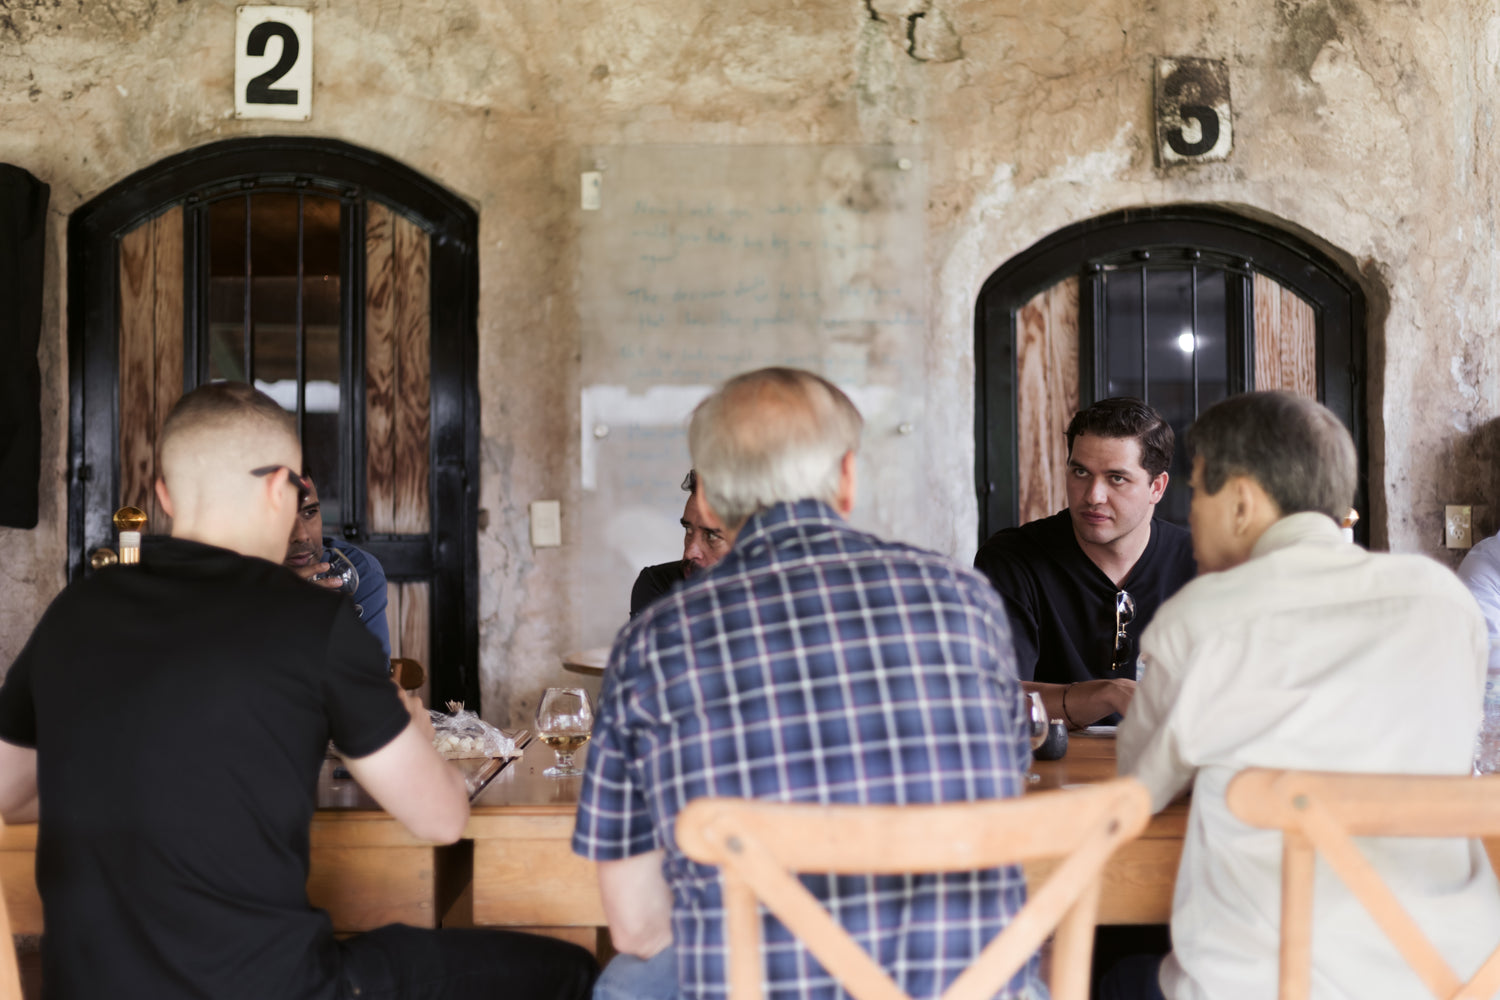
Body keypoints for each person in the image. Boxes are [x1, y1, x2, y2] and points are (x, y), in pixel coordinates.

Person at [0, 382, 596, 1000]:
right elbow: (442, 820)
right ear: (278, 486)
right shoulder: (313, 621)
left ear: (165, 497)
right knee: (567, 972)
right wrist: (416, 734)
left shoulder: (78, 610)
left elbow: (10, 793)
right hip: (275, 988)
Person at [574, 367, 1041, 1000]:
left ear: (715, 491)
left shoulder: (659, 639)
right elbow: (1002, 791)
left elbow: (636, 926)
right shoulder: (966, 601)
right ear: (847, 478)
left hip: (764, 985)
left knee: (627, 983)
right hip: (970, 988)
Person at [1113, 391, 1500, 1000]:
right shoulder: (1443, 598)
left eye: (1196, 488)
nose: (1190, 515)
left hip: (1263, 983)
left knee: (1115, 977)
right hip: (1449, 975)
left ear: (1241, 500)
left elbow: (1135, 789)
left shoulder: (1203, 616)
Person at [974, 397, 1196, 728]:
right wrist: (1105, 694)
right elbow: (989, 698)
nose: (1093, 495)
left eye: (1116, 478)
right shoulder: (1013, 559)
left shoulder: (1199, 562)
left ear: (1157, 487)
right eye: (1080, 472)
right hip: (1049, 768)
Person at [286, 474, 391, 656]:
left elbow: (368, 679)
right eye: (283, 517)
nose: (302, 535)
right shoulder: (230, 582)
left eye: (310, 513)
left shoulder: (353, 573)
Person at [628, 469, 732, 617]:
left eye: (711, 536)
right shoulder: (660, 586)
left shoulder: (771, 596)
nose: (690, 552)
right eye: (688, 530)